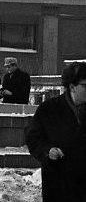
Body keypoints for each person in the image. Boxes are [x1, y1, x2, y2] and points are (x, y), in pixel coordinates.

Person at [25, 61, 86, 202]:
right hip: (58, 184)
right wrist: (48, 151)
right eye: (85, 85)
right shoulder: (49, 110)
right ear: (72, 87)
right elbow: (33, 138)